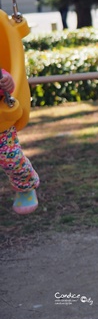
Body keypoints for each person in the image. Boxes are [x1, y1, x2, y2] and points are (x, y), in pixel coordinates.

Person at [0, 68, 39, 214]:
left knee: (13, 159)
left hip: (1, 128)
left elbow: (6, 81)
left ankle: (25, 187)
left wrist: (6, 82)